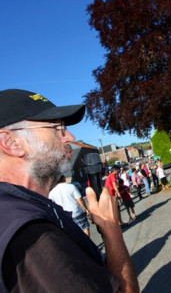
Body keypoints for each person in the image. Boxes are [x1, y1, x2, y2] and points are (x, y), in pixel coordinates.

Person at [0, 89, 139, 292]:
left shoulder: (20, 208)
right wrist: (111, 229)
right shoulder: (31, 232)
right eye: (58, 128)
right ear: (11, 143)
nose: (70, 137)